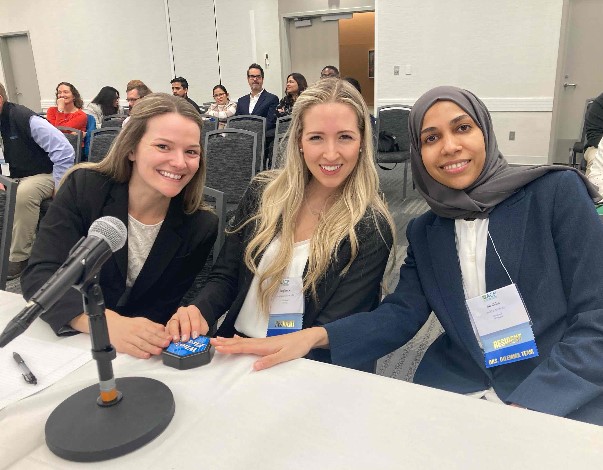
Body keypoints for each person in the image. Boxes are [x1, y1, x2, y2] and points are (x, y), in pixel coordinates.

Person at [210, 85, 603, 426]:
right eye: (431, 138)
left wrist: (533, 405)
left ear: (486, 132)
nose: (449, 146)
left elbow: (597, 318)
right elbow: (401, 314)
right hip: (457, 387)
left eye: (463, 128)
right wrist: (314, 336)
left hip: (555, 387)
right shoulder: (427, 229)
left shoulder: (554, 195)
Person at [167, 78, 395, 370]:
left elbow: (332, 328)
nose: (330, 153)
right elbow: (225, 275)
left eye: (345, 137)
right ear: (299, 140)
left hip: (305, 366)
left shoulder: (370, 227)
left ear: (362, 141)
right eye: (316, 138)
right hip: (234, 349)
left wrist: (255, 352)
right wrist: (199, 311)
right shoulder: (264, 193)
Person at [21, 93, 218, 359]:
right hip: (68, 341)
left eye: (191, 151)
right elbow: (40, 275)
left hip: (136, 354)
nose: (180, 162)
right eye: (163, 146)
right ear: (131, 148)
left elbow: (163, 306)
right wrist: (104, 323)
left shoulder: (200, 226)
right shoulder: (85, 189)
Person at [0, 82, 74, 280]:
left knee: (23, 194)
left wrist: (60, 186)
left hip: (46, 173)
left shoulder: (24, 118)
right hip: (17, 174)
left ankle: (19, 257)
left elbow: (64, 150)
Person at [234, 63, 279, 130]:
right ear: (248, 79)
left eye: (258, 76)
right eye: (252, 76)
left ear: (262, 79)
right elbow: (236, 122)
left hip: (262, 138)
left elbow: (270, 123)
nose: (255, 79)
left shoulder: (272, 99)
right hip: (242, 138)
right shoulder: (241, 101)